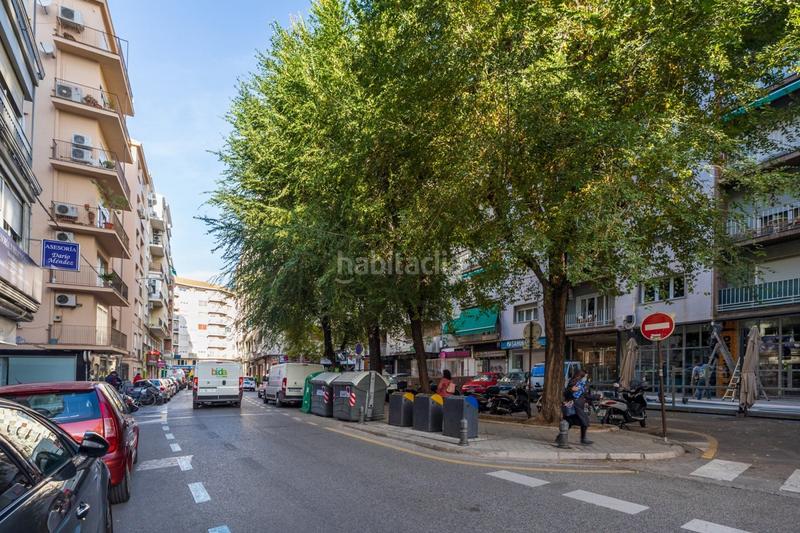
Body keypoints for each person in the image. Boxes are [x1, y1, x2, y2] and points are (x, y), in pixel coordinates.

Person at [563, 370, 592, 445]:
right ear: (580, 376)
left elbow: (586, 395)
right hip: (574, 406)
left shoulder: (583, 385)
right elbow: (565, 393)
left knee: (570, 422)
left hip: (579, 406)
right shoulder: (573, 383)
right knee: (584, 421)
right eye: (585, 376)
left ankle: (560, 437)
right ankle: (583, 439)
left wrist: (597, 397)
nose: (585, 378)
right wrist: (571, 390)